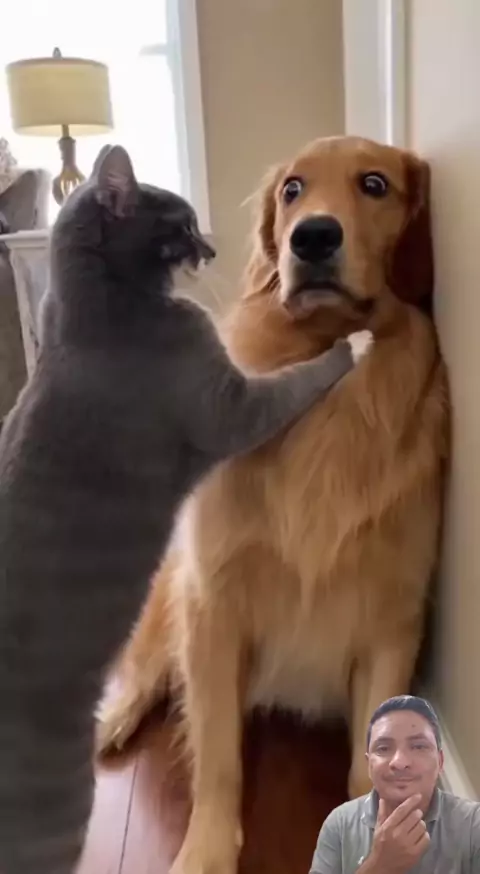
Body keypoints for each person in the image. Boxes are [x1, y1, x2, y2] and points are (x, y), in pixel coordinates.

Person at [310, 695, 480, 873]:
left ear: (440, 762)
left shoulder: (473, 825)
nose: (399, 762)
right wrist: (379, 864)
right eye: (383, 748)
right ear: (369, 765)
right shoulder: (340, 823)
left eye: (418, 746)